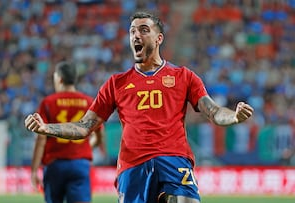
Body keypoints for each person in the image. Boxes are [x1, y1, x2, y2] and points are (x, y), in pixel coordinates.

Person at [25, 11, 254, 203]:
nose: (136, 35)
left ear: (159, 39)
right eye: (132, 31)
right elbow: (85, 127)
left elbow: (213, 112)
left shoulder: (183, 76)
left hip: (173, 158)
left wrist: (234, 116)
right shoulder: (116, 83)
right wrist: (47, 128)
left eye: (144, 30)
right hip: (132, 165)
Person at [30, 61, 104, 203]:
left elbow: (41, 139)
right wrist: (87, 147)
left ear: (59, 79)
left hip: (55, 164)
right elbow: (100, 134)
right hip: (79, 164)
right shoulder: (88, 102)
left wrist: (34, 170)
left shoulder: (48, 102)